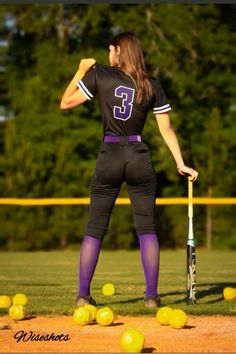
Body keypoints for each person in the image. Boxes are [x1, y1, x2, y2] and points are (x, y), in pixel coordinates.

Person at [60, 32, 198, 308]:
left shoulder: (100, 74)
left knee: (95, 227)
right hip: (138, 155)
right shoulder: (151, 84)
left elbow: (66, 103)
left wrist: (80, 70)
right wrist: (180, 163)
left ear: (117, 50)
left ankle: (83, 296)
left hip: (109, 154)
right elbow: (166, 129)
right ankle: (151, 297)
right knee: (147, 229)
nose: (109, 55)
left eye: (111, 50)